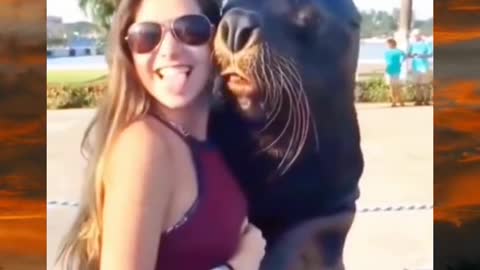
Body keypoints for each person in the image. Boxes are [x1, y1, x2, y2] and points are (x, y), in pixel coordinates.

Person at [55, 0, 266, 269]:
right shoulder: (146, 146)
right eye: (147, 36)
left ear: (217, 38)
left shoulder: (211, 138)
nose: (169, 51)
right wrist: (239, 265)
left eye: (190, 30)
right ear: (129, 52)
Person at [407, 29, 433, 106]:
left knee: (425, 84)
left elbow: (431, 54)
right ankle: (419, 100)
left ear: (420, 35)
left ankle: (426, 100)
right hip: (415, 67)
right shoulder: (412, 45)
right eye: (414, 36)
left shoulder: (426, 43)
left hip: (424, 67)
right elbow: (408, 55)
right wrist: (413, 55)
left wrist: (422, 55)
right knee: (417, 85)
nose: (415, 37)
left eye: (416, 35)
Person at [384, 38, 406, 107]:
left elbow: (387, 63)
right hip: (394, 70)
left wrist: (385, 69)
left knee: (394, 87)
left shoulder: (389, 52)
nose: (387, 45)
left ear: (391, 44)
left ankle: (396, 101)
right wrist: (400, 62)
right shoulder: (398, 51)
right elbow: (404, 56)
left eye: (388, 44)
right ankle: (398, 101)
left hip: (392, 70)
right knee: (395, 87)